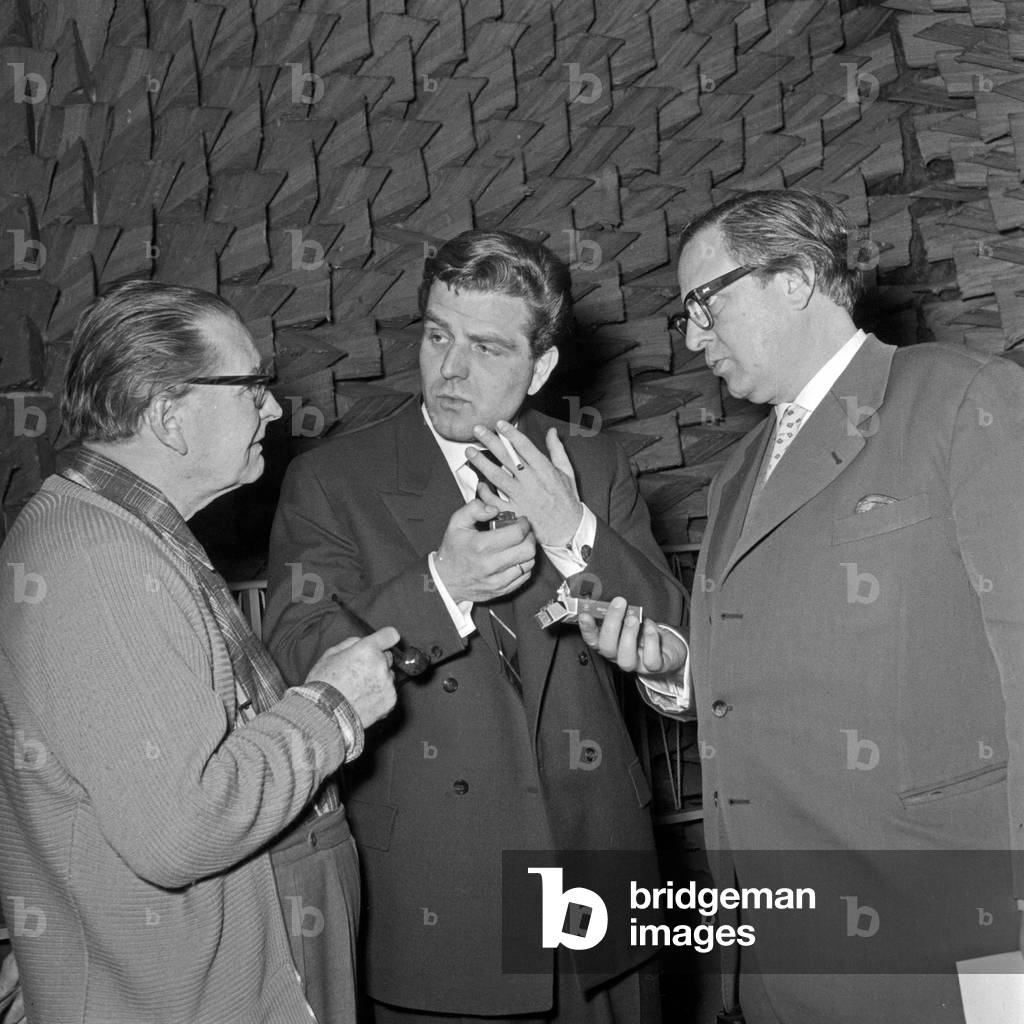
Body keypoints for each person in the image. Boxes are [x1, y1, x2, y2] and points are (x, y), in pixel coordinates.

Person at [578, 189, 1024, 1024]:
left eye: (705, 303)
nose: (692, 337)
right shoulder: (737, 473)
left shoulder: (961, 398)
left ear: (794, 279)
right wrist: (681, 670)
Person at [264, 229, 684, 1022]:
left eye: (487, 348)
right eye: (437, 336)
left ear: (541, 366)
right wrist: (440, 588)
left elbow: (674, 640)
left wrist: (572, 532)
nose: (450, 370)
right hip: (443, 898)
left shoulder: (594, 465)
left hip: (597, 883)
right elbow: (299, 655)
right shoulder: (332, 480)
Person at [0, 280, 399, 1023]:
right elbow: (181, 830)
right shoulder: (99, 563)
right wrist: (333, 709)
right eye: (251, 387)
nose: (272, 408)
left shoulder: (116, 533)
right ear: (168, 415)